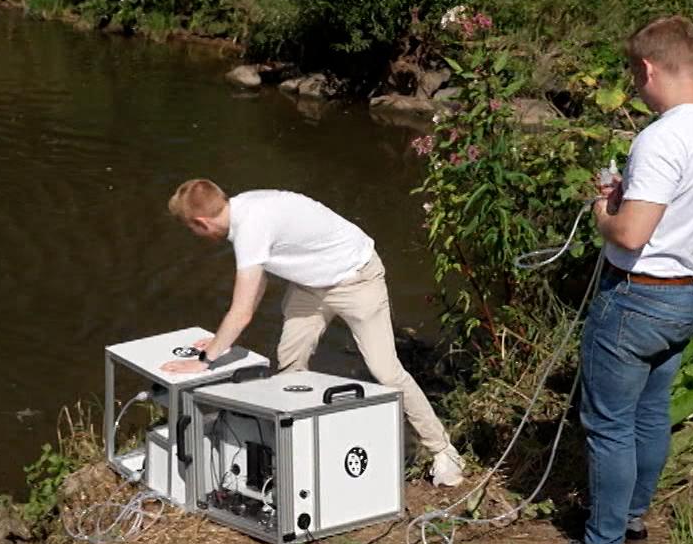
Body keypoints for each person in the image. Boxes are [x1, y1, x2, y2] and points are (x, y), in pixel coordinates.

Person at [545, 15, 693, 544]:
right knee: (651, 412)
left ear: (646, 68)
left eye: (634, 76)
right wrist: (635, 193)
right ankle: (632, 517)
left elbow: (631, 234)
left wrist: (603, 208)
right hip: (692, 292)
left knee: (609, 423)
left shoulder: (661, 137)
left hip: (638, 298)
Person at [160, 179, 468, 487]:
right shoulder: (243, 209)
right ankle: (300, 456)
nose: (195, 235)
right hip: (310, 286)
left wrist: (205, 359)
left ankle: (444, 451)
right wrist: (220, 341)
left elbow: (241, 313)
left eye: (192, 229)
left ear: (201, 222)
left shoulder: (250, 227)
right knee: (290, 367)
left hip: (356, 279)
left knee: (386, 372)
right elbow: (257, 282)